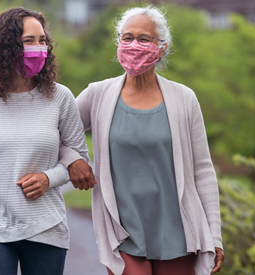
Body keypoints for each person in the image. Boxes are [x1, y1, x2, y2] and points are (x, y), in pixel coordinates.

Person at [61, 5, 224, 275]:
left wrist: (214, 236)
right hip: (122, 231)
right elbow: (57, 135)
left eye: (144, 39)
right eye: (127, 38)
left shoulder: (184, 99)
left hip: (178, 231)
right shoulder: (97, 95)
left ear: (162, 48)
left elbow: (203, 171)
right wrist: (73, 161)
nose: (134, 45)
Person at [0, 7, 92, 275]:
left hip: (46, 226)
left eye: (42, 41)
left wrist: (48, 178)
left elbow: (79, 161)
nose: (39, 48)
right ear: (6, 46)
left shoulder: (60, 97)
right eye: (29, 41)